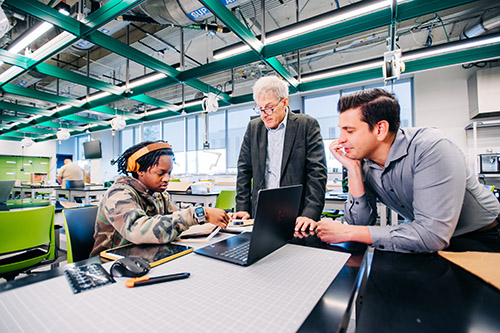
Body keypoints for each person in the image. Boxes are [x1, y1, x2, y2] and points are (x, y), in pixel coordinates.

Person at [298, 88, 500, 253]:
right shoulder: (366, 161)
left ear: (380, 129)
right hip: (427, 241)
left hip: (483, 238)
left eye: (349, 131)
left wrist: (347, 233)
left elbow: (432, 235)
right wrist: (353, 168)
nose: (340, 139)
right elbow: (359, 222)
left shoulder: (431, 149)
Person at [90, 141, 230, 256]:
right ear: (139, 170)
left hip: (145, 255)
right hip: (110, 263)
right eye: (161, 173)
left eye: (169, 172)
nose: (167, 179)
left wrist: (222, 217)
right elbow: (138, 230)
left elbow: (177, 219)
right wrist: (199, 214)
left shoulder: (159, 194)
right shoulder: (118, 194)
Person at [230, 76, 327, 227]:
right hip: (261, 212)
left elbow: (317, 172)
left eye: (269, 108)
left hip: (297, 215)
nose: (264, 114)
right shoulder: (253, 128)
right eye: (260, 109)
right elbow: (244, 170)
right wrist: (242, 208)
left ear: (284, 102)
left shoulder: (306, 125)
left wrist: (310, 214)